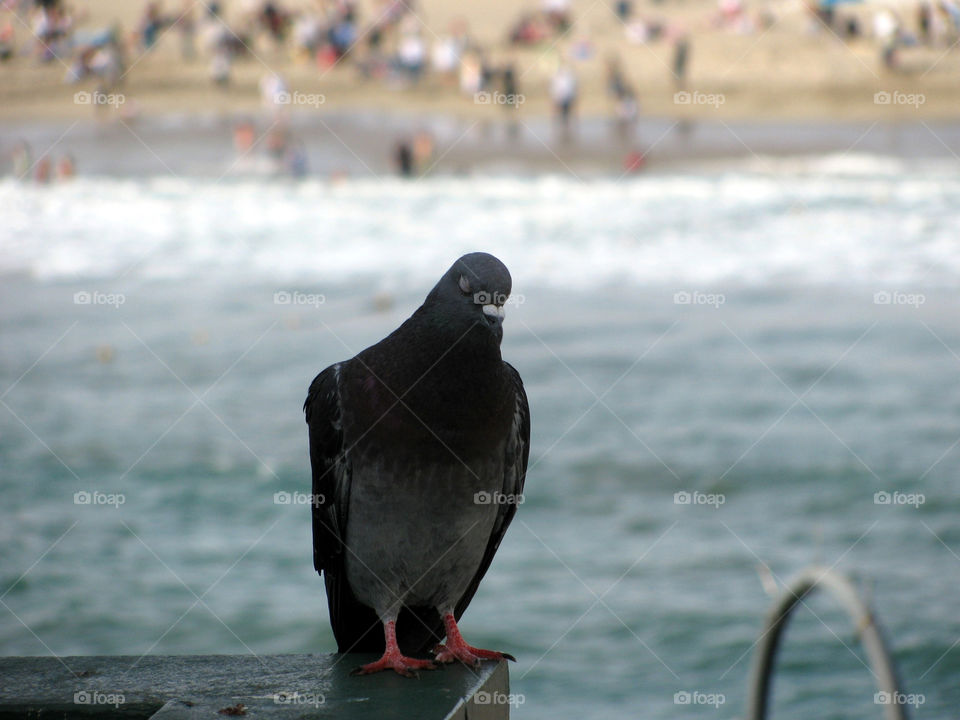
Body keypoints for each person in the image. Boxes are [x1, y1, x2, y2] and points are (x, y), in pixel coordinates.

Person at [550, 62, 577, 140]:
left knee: (566, 113)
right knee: (561, 113)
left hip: (567, 97)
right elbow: (554, 88)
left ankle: (566, 128)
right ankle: (562, 127)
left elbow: (571, 88)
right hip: (559, 98)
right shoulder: (556, 78)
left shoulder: (568, 78)